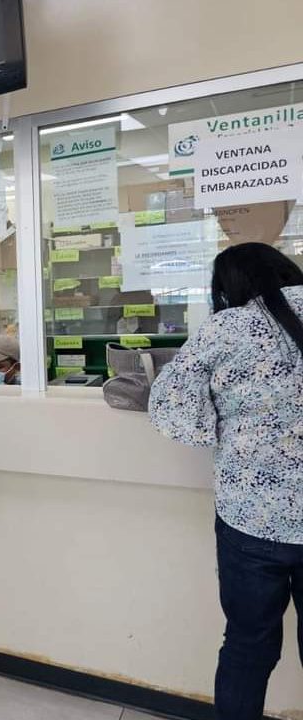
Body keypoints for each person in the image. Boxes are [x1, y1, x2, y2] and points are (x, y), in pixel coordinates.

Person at [149, 243, 303, 720]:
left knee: (247, 646)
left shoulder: (227, 327)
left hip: (252, 519)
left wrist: (223, 422)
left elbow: (173, 411)